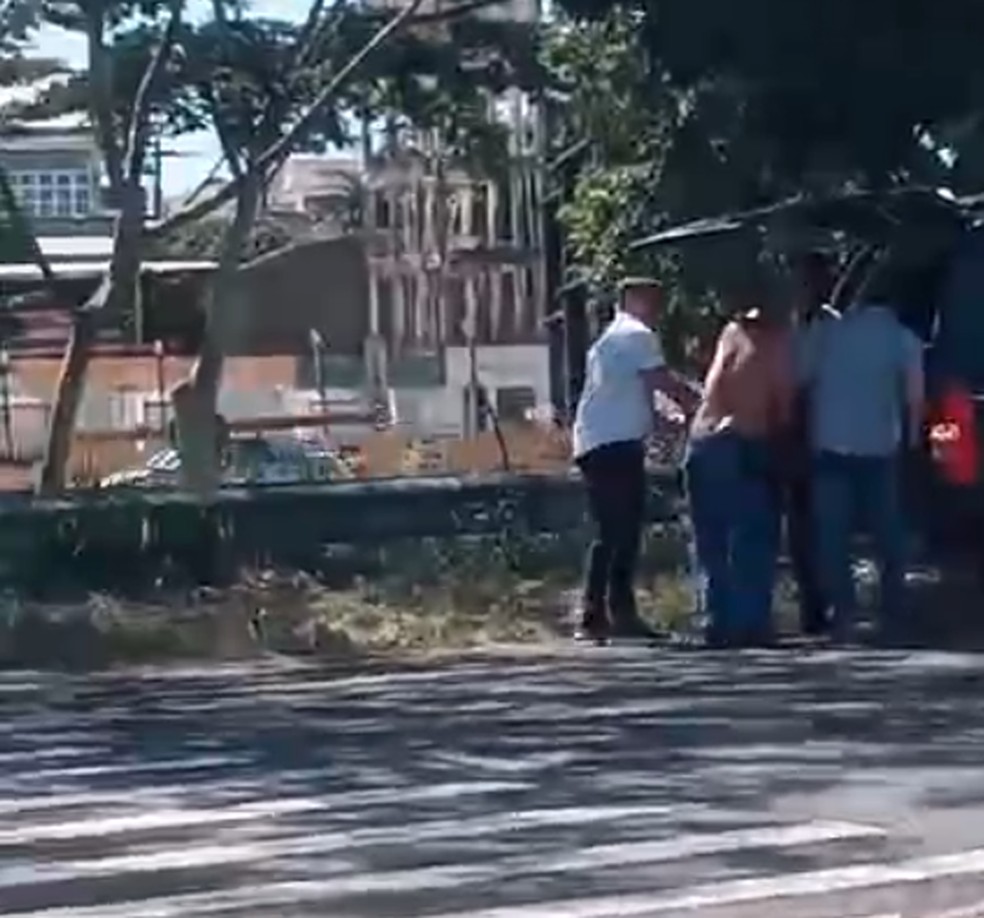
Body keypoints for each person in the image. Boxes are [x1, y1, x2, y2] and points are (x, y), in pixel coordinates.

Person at [798, 266, 925, 643]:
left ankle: (845, 615)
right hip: (880, 448)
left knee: (833, 536)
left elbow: (800, 377)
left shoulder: (828, 333)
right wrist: (914, 440)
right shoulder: (904, 338)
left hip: (830, 446)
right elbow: (914, 398)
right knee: (889, 535)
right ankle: (893, 613)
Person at [572, 278, 699, 642]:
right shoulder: (637, 335)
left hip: (598, 441)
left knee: (611, 531)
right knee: (621, 531)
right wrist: (703, 405)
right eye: (653, 299)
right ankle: (611, 613)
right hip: (615, 445)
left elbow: (634, 393)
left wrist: (662, 422)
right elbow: (663, 382)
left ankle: (599, 613)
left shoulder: (610, 340)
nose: (658, 307)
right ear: (633, 299)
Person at [684, 296, 795, 647]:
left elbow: (716, 389)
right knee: (754, 534)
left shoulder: (730, 333)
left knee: (710, 537)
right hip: (742, 442)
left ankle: (716, 619)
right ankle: (751, 622)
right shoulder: (774, 343)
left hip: (703, 440)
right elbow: (783, 403)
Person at [786, 254, 838, 635]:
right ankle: (812, 605)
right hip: (791, 429)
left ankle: (823, 603)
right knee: (801, 524)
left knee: (820, 522)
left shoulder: (831, 328)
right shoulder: (788, 328)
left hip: (819, 427)